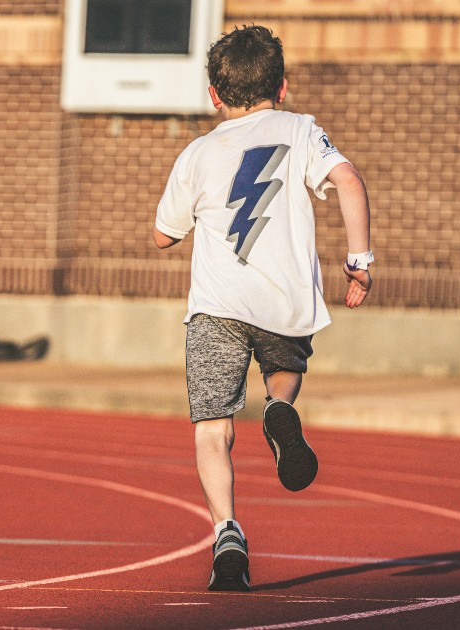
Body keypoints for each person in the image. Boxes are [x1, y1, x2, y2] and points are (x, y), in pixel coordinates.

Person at [152, 24, 373, 592]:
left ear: (214, 95)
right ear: (283, 86)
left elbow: (162, 235)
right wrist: (359, 260)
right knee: (284, 373)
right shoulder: (301, 131)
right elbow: (348, 181)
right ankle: (279, 410)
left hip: (217, 306)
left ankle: (227, 530)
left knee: (211, 427)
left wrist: (182, 223)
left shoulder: (198, 152)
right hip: (284, 299)